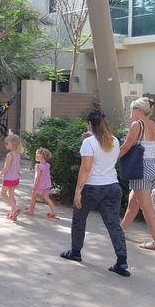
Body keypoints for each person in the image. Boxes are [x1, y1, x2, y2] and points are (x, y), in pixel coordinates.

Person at [60, 111, 130, 277]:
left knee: (79, 218)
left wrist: (78, 191)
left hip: (92, 187)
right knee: (113, 224)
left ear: (90, 124)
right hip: (113, 186)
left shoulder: (89, 143)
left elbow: (86, 168)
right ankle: (122, 261)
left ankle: (75, 252)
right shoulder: (114, 140)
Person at [119, 97, 155, 250]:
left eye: (132, 109)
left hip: (141, 168)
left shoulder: (137, 125)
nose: (130, 113)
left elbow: (126, 147)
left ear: (138, 110)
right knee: (134, 201)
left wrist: (110, 159)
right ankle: (120, 230)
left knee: (147, 207)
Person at [0, 133, 23, 221]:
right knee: (11, 194)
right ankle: (13, 214)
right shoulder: (17, 154)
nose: (5, 145)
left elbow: (6, 168)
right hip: (16, 177)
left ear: (13, 144)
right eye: (5, 143)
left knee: (3, 194)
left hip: (9, 178)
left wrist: (0, 174)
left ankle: (15, 208)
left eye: (7, 143)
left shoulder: (9, 155)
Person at [25, 147, 57, 218]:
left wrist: (34, 185)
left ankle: (31, 210)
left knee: (33, 197)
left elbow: (37, 177)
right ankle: (53, 212)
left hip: (39, 185)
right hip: (47, 184)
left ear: (42, 156)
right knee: (47, 198)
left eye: (37, 154)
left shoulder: (38, 166)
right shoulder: (47, 165)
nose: (35, 156)